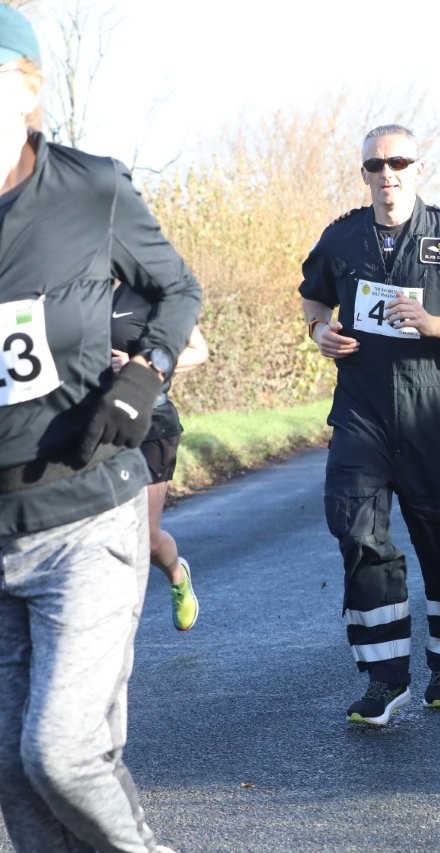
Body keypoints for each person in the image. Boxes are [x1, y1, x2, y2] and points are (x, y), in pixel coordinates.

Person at [0, 6, 201, 851]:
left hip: (88, 514)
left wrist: (146, 375)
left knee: (62, 753)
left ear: (27, 89)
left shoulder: (91, 187)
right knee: (10, 773)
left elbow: (178, 291)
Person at [299, 124, 440, 726]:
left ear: (419, 169)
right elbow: (312, 297)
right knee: (359, 534)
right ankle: (384, 678)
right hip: (361, 415)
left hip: (432, 417)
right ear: (364, 173)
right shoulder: (341, 237)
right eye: (374, 165)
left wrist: (433, 323)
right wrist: (319, 332)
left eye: (398, 162)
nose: (386, 173)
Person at [110, 284, 209, 631]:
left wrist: (142, 367)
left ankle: (177, 575)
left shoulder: (149, 293)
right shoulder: (76, 291)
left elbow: (198, 351)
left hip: (152, 426)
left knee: (146, 539)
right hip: (95, 428)